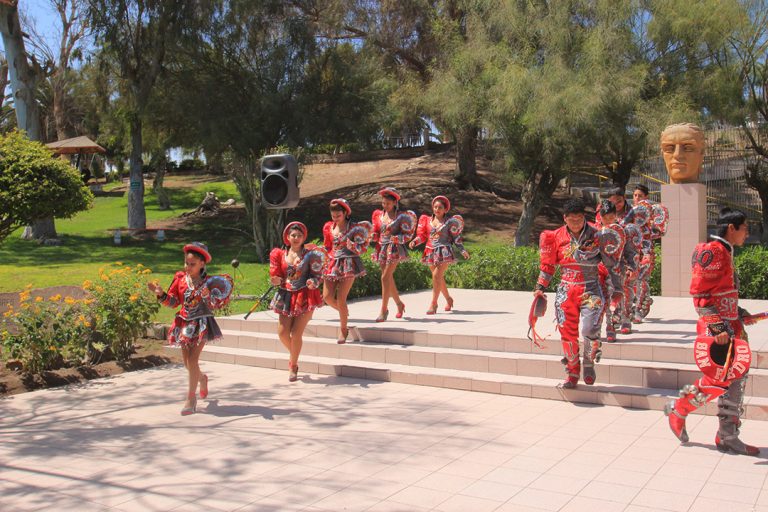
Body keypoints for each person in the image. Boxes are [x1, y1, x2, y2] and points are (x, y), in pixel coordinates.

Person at [664, 207, 759, 456]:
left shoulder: (724, 250)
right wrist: (718, 326)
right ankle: (680, 409)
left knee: (735, 378)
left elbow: (721, 293)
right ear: (732, 228)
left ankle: (727, 435)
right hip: (718, 330)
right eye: (745, 228)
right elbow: (699, 294)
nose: (747, 233)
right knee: (718, 380)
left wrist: (739, 313)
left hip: (731, 326)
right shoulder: (712, 251)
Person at [535, 199, 623, 388]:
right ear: (564, 218)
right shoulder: (555, 236)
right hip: (566, 290)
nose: (576, 222)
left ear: (584, 217)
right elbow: (548, 266)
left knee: (590, 329)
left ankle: (589, 362)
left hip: (591, 288)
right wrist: (540, 287)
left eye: (579, 218)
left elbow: (611, 264)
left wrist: (618, 288)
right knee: (567, 332)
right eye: (572, 219)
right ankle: (573, 370)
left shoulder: (598, 235)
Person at [148, 242, 233, 415]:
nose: (187, 267)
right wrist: (161, 294)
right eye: (186, 263)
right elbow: (174, 302)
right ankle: (202, 378)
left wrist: (207, 296)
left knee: (193, 361)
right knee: (188, 364)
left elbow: (215, 305)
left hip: (202, 324)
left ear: (202, 263)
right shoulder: (180, 279)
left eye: (192, 264)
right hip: (184, 323)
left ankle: (190, 399)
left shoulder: (209, 283)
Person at [269, 222, 325, 381]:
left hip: (305, 295)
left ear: (303, 238)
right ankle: (295, 353)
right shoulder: (279, 254)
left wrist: (313, 282)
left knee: (296, 333)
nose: (296, 238)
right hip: (285, 295)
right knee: (282, 333)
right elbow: (277, 275)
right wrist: (275, 280)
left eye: (299, 235)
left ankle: (293, 365)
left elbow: (317, 275)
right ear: (287, 237)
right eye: (293, 235)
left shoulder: (310, 255)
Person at [409, 195, 470, 314]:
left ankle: (434, 304)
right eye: (435, 207)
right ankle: (448, 299)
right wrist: (415, 242)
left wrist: (462, 250)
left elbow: (456, 238)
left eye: (440, 207)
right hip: (430, 251)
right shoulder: (426, 220)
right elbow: (422, 236)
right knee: (438, 278)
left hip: (444, 251)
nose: (437, 209)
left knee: (436, 276)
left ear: (445, 209)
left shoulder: (449, 222)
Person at [322, 198, 371, 343]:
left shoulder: (354, 228)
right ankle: (343, 312)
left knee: (341, 298)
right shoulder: (328, 227)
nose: (335, 218)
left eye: (338, 215)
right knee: (327, 297)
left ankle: (343, 330)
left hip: (349, 264)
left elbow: (363, 248)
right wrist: (320, 252)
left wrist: (352, 245)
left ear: (345, 213)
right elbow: (328, 246)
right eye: (333, 216)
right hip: (332, 263)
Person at [594, 200, 638, 343]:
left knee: (619, 295)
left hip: (619, 268)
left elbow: (630, 251)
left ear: (616, 216)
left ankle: (623, 320)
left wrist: (631, 267)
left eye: (611, 217)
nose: (608, 220)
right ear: (600, 216)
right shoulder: (595, 231)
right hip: (600, 269)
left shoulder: (623, 230)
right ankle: (607, 326)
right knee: (603, 298)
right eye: (605, 218)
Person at [371, 187, 416, 322]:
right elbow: (376, 231)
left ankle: (383, 310)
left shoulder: (401, 216)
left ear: (395, 203)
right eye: (383, 203)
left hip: (394, 249)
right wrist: (373, 236)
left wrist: (398, 238)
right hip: (381, 248)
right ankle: (399, 304)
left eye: (388, 203)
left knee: (385, 277)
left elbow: (408, 235)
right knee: (388, 279)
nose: (385, 206)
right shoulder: (378, 215)